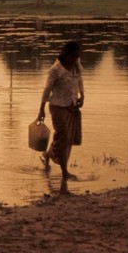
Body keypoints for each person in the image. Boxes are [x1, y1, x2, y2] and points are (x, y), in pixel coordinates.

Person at [37, 40, 84, 180]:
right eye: (73, 57)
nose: (75, 59)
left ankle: (47, 155)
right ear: (66, 54)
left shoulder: (76, 64)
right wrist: (41, 110)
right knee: (64, 137)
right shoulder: (55, 69)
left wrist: (83, 94)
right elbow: (47, 90)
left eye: (77, 57)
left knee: (65, 138)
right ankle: (65, 173)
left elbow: (80, 79)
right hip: (57, 107)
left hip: (72, 106)